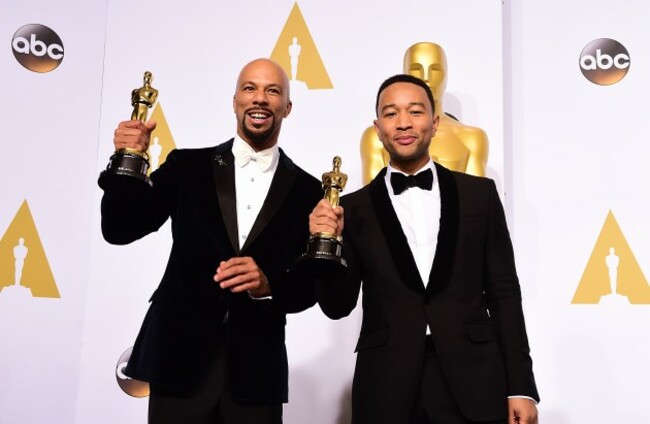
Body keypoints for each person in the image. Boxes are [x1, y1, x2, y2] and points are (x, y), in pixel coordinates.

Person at [100, 58, 322, 423]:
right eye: (250, 88)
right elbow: (120, 228)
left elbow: (309, 288)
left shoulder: (309, 191)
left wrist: (268, 284)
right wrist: (129, 159)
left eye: (273, 91)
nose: (260, 99)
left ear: (287, 107)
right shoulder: (187, 167)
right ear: (235, 100)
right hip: (178, 360)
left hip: (256, 372)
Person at [309, 74, 539, 424]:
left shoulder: (479, 195)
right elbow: (337, 306)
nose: (403, 122)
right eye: (391, 113)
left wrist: (520, 387)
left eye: (415, 112)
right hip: (386, 382)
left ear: (434, 123)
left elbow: (504, 294)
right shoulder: (352, 209)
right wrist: (326, 243)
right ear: (377, 128)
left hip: (474, 379)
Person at [360, 42, 489, 184]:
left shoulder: (471, 138)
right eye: (416, 69)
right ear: (405, 73)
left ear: (446, 75)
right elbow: (370, 199)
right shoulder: (376, 136)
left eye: (436, 70)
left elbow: (477, 200)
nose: (426, 77)